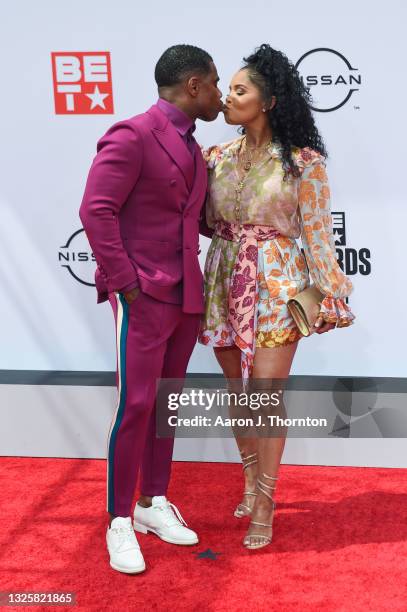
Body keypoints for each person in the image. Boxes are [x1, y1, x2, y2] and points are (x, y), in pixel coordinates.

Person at [198, 44, 355, 550]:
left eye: (240, 90)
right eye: (229, 89)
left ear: (267, 101)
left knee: (266, 395)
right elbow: (202, 223)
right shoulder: (214, 158)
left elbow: (317, 234)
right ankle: (248, 479)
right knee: (238, 392)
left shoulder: (305, 163)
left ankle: (265, 500)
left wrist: (329, 294)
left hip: (278, 283)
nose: (227, 98)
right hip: (224, 276)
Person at [79, 44, 222, 573]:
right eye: (213, 82)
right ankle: (118, 520)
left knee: (167, 404)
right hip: (143, 294)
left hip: (186, 295)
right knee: (136, 405)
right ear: (192, 85)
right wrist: (126, 285)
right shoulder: (133, 134)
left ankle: (151, 504)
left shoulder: (194, 146)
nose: (218, 93)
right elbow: (96, 210)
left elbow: (190, 217)